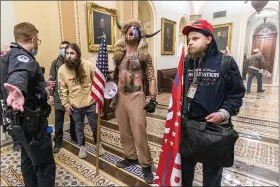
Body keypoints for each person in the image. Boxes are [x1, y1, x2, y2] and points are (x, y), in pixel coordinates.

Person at [180, 20, 245, 187]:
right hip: (189, 127)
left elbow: (236, 94)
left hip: (214, 130)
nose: (190, 42)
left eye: (195, 38)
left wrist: (223, 113)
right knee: (185, 172)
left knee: (212, 177)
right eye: (189, 40)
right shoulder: (188, 63)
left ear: (208, 39)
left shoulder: (226, 63)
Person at [0, 22, 55, 186]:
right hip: (33, 122)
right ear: (33, 39)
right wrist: (17, 88)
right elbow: (20, 73)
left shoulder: (7, 56)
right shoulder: (22, 57)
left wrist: (42, 85)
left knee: (27, 159)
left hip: (20, 122)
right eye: (38, 40)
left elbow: (25, 79)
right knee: (44, 164)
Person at [113, 19, 160, 184]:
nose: (131, 31)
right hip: (120, 97)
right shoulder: (118, 54)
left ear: (140, 34)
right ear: (124, 33)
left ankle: (146, 164)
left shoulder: (144, 56)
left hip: (136, 96)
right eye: (128, 29)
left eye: (135, 29)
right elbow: (115, 76)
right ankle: (130, 156)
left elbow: (151, 77)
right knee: (124, 131)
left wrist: (153, 98)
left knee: (139, 132)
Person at [57, 43, 105, 159]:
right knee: (79, 127)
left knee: (95, 126)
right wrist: (66, 104)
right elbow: (61, 89)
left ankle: (98, 145)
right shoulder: (62, 70)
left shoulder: (88, 65)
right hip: (75, 106)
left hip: (90, 103)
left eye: (72, 53)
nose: (69, 56)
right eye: (67, 53)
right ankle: (82, 147)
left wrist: (98, 100)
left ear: (78, 55)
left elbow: (97, 82)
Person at [48, 41, 84, 153]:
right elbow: (51, 81)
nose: (63, 50)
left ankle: (74, 136)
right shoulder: (55, 63)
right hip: (59, 97)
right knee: (59, 120)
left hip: (73, 97)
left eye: (65, 48)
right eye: (61, 48)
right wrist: (50, 96)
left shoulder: (75, 63)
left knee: (74, 118)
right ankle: (58, 141)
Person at [0, 44, 21, 151]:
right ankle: (16, 141)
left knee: (17, 120)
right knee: (10, 121)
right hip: (6, 98)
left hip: (17, 97)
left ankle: (20, 141)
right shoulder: (2, 64)